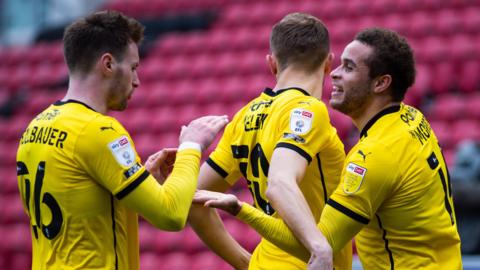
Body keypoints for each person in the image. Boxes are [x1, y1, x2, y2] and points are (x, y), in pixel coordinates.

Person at [194, 28, 463, 270]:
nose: (334, 72)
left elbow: (315, 247)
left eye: (349, 67)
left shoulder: (373, 155)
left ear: (381, 83)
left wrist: (241, 210)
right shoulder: (412, 118)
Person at [15, 10, 228, 270]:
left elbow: (82, 213)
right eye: (133, 67)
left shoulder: (34, 127)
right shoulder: (100, 130)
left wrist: (142, 182)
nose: (137, 81)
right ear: (108, 64)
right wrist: (192, 146)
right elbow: (171, 216)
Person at [188, 13, 352, 270]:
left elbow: (192, 200)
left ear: (272, 63)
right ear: (329, 64)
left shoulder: (244, 116)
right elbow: (279, 183)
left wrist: (244, 263)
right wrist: (318, 247)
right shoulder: (309, 109)